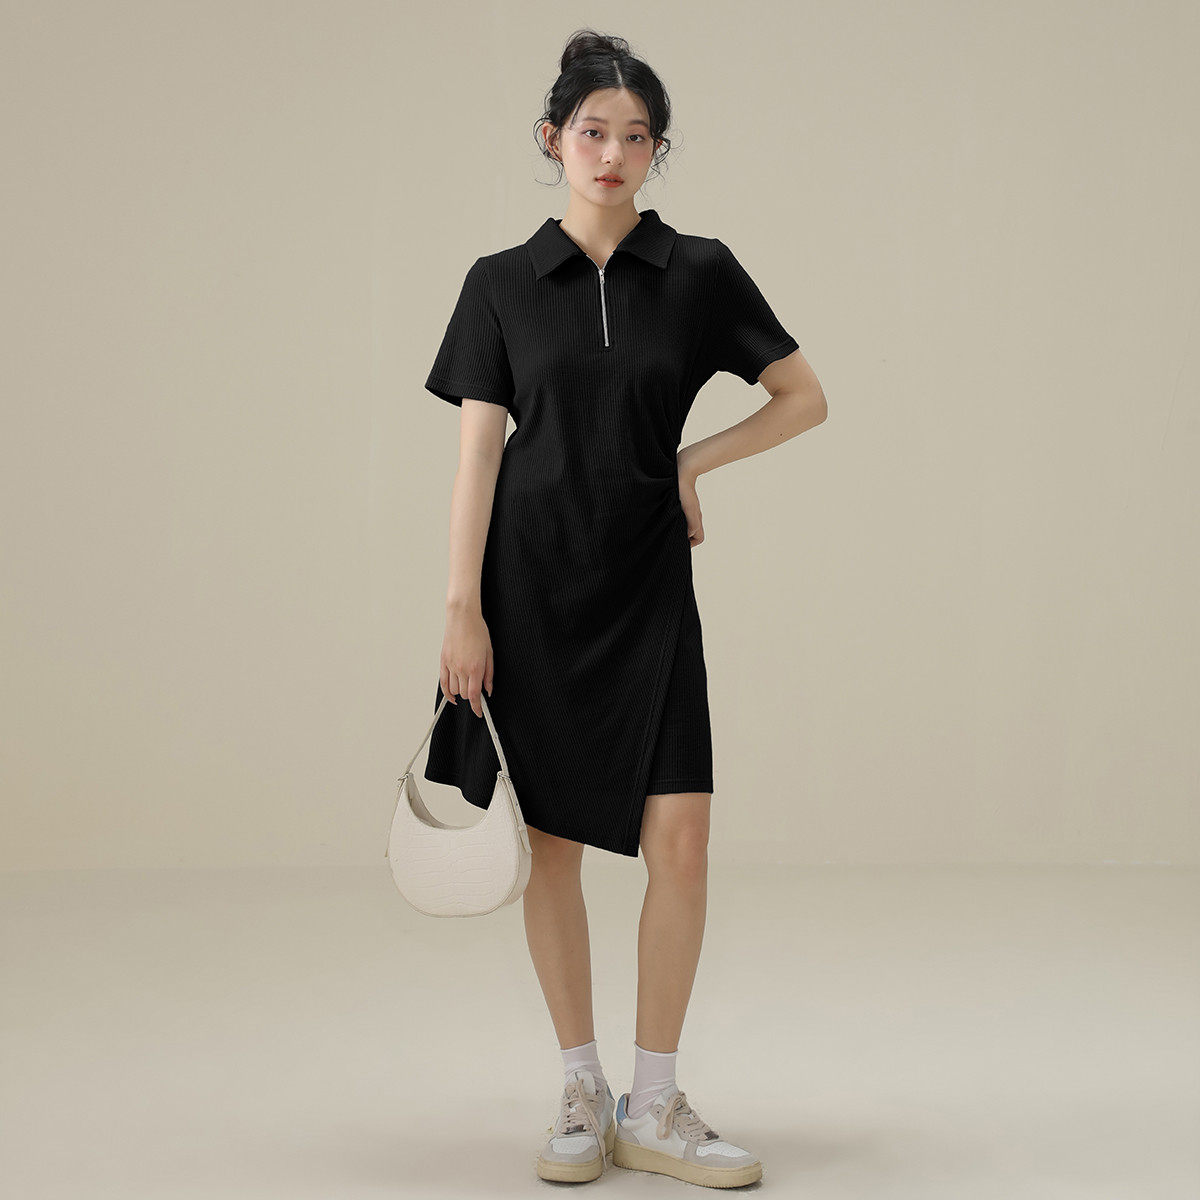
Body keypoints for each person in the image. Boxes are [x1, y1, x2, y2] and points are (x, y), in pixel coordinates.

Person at [421, 29, 827, 1188]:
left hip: (649, 587)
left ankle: (655, 1103)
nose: (611, 154)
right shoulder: (500, 284)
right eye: (592, 132)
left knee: (681, 840)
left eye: (635, 137)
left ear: (656, 152)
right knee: (551, 847)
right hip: (531, 589)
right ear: (553, 139)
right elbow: (478, 456)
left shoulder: (696, 273)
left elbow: (802, 396)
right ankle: (580, 1088)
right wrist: (461, 608)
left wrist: (693, 462)